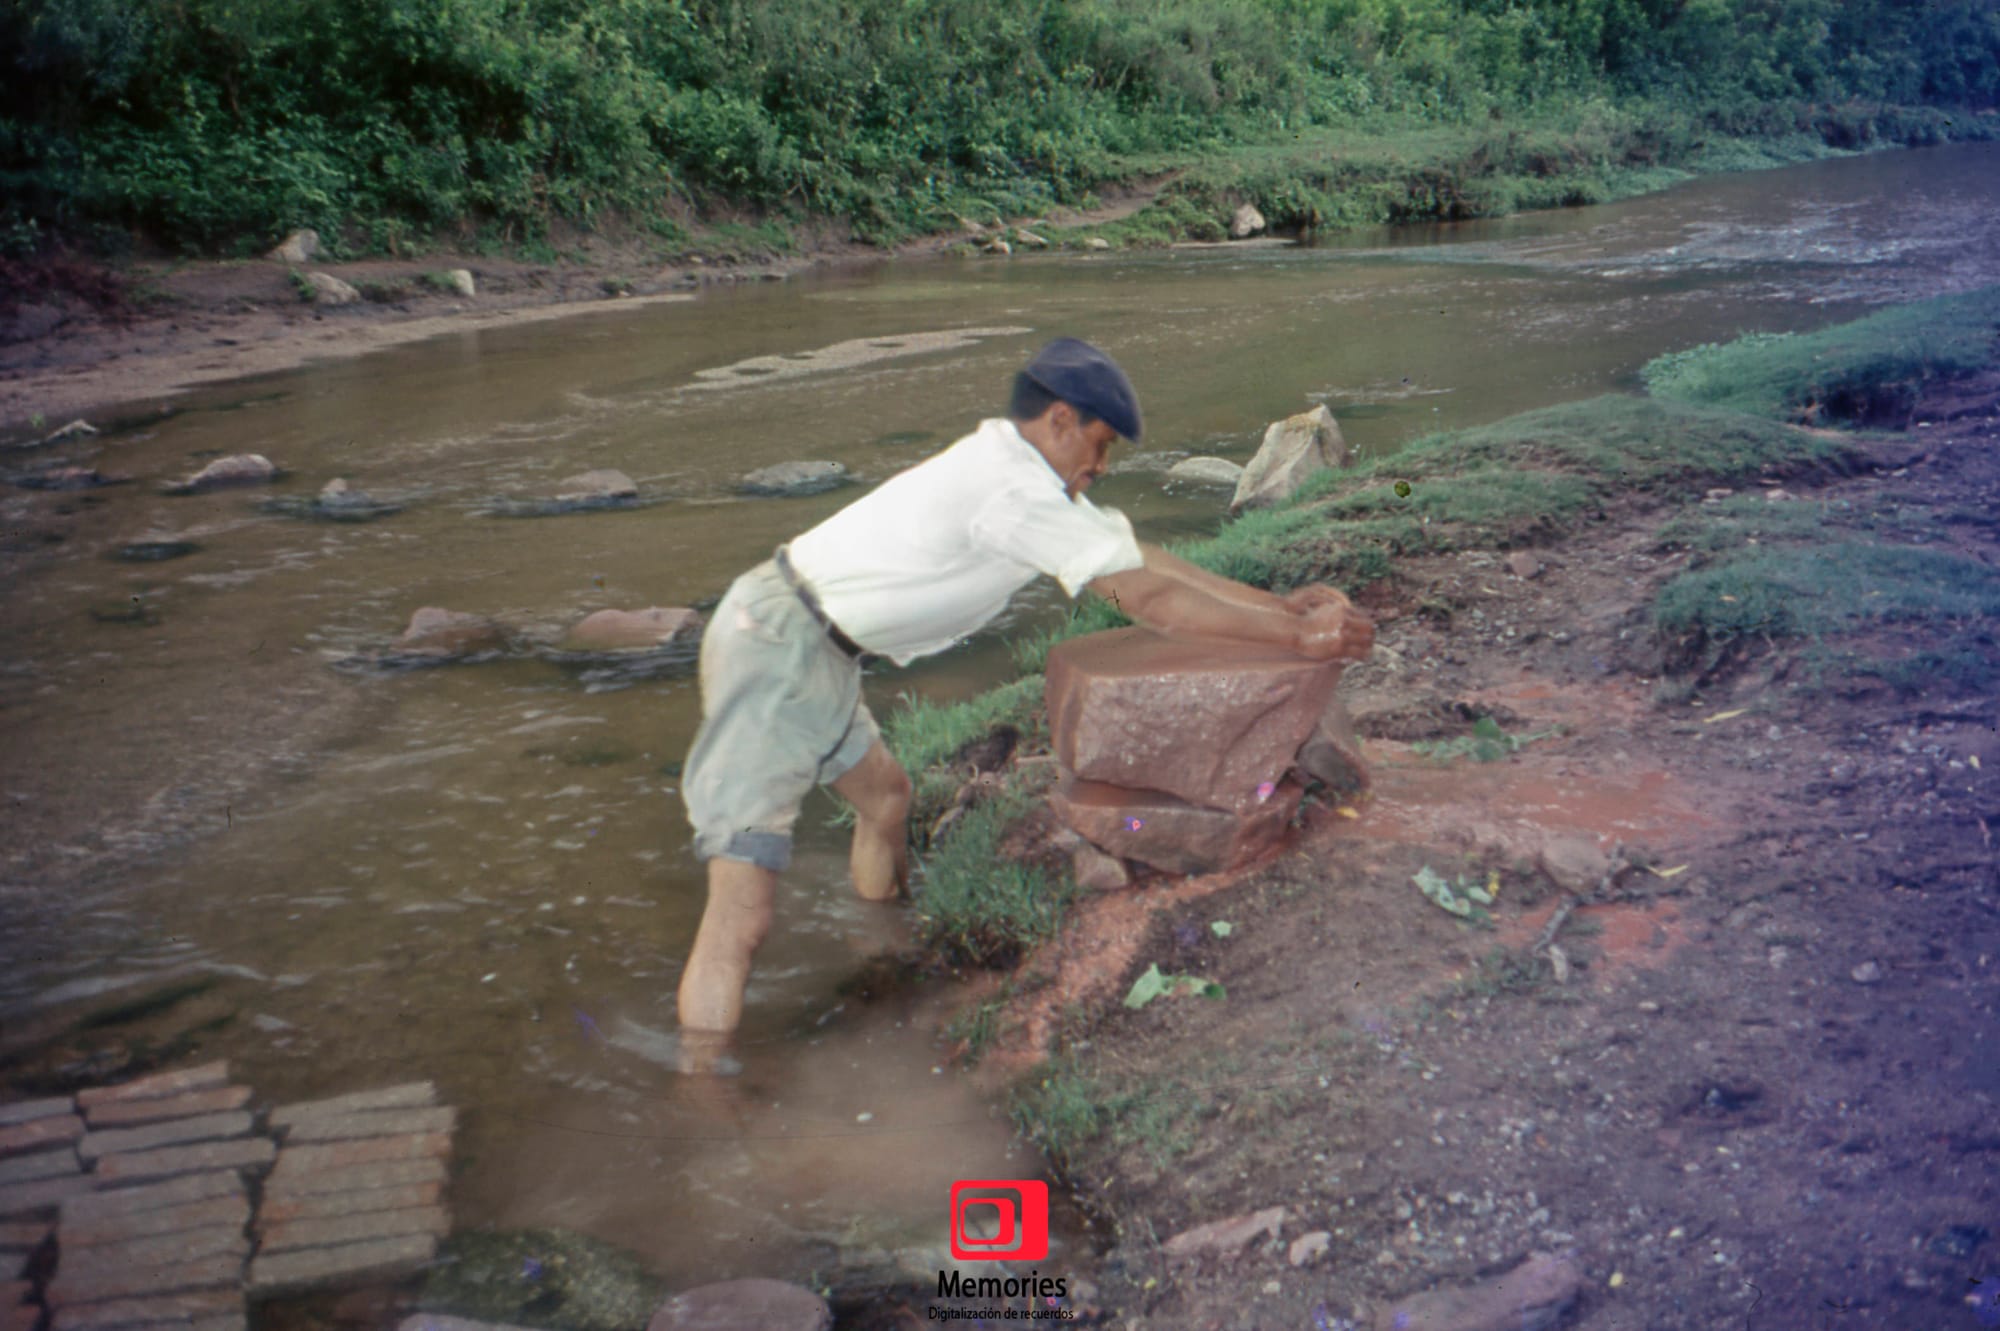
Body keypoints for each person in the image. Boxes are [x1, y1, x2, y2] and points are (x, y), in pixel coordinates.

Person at [674, 337, 1372, 1061]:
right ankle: (703, 1095)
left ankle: (875, 949)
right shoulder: (1009, 491)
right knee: (741, 912)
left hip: (814, 647)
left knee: (886, 800)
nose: (1100, 469)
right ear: (1061, 420)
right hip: (776, 646)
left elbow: (1146, 561)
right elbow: (1147, 596)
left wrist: (1283, 612)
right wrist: (1301, 642)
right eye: (1098, 447)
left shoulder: (1022, 476)